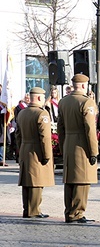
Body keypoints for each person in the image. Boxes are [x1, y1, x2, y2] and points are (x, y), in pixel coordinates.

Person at [57, 74, 98, 223]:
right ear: (83, 85)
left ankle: (69, 211)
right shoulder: (87, 103)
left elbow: (60, 128)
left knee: (70, 180)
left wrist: (63, 146)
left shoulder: (63, 102)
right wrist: (94, 151)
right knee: (82, 180)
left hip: (68, 141)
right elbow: (90, 129)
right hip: (82, 143)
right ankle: (77, 213)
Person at [15, 87, 54, 218]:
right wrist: (47, 155)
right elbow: (45, 138)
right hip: (36, 150)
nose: (43, 100)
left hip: (25, 148)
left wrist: (20, 150)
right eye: (43, 98)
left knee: (27, 182)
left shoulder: (22, 113)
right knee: (37, 182)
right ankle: (34, 210)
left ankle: (27, 209)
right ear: (38, 98)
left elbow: (18, 135)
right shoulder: (41, 114)